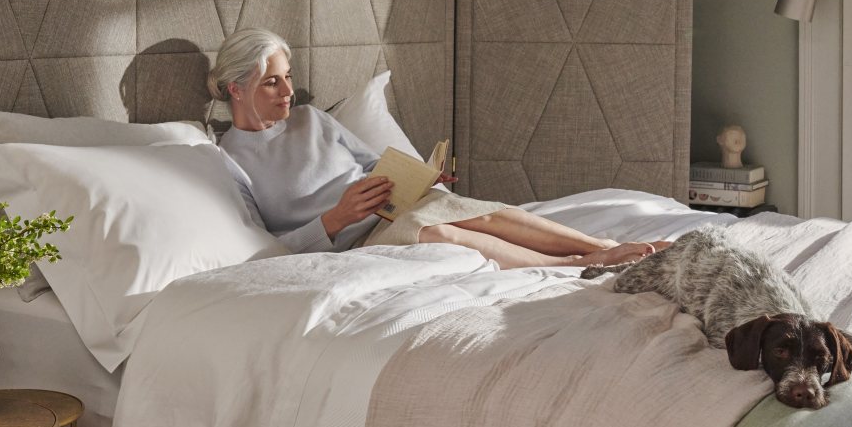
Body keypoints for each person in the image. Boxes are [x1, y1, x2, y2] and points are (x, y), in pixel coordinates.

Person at [210, 28, 656, 269]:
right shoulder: (229, 159)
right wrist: (334, 219)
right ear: (235, 88)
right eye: (272, 81)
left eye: (288, 76)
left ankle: (601, 243)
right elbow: (263, 246)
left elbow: (373, 164)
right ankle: (577, 263)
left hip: (390, 206)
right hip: (354, 237)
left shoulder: (313, 119)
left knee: (476, 212)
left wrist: (418, 176)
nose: (288, 90)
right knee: (440, 232)